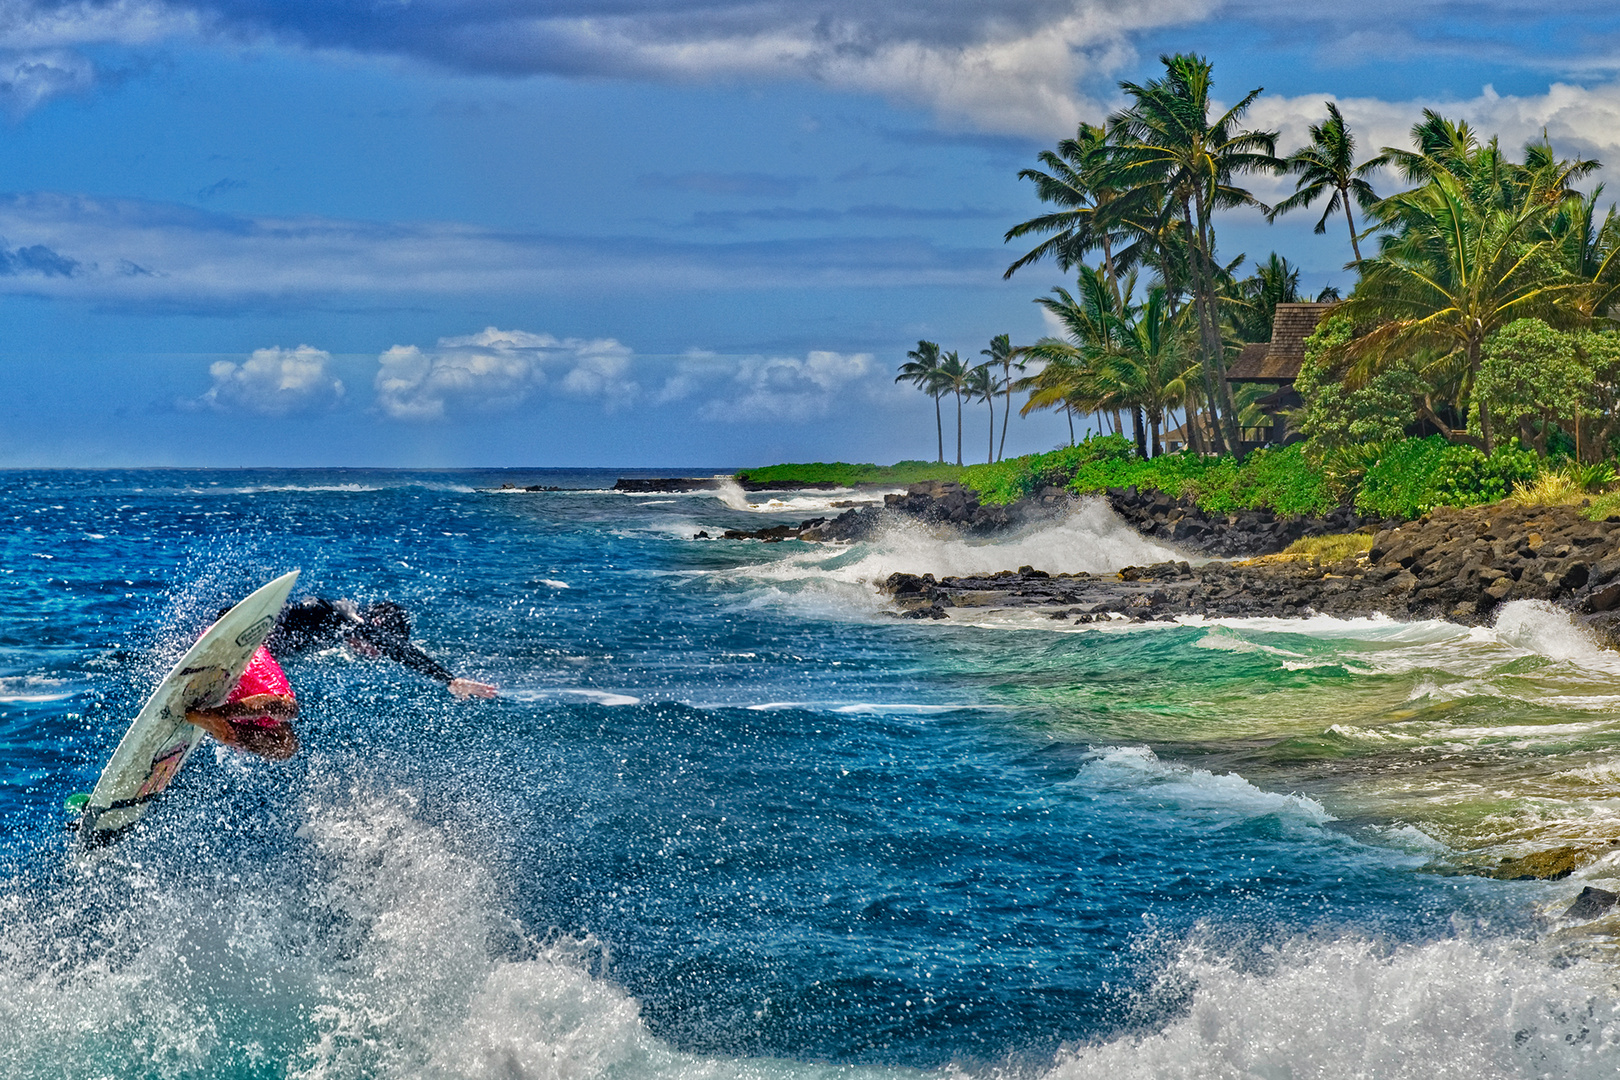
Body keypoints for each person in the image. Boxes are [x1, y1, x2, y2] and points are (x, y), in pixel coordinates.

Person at [268, 597, 498, 699]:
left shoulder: (342, 625)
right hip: (261, 633)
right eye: (378, 648)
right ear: (377, 625)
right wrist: (450, 679)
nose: (374, 654)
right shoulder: (347, 618)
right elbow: (397, 649)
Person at [186, 642, 300, 760]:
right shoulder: (267, 721)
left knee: (288, 714)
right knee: (288, 713)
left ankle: (211, 717)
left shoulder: (259, 725)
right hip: (236, 653)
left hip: (222, 686)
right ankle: (210, 717)